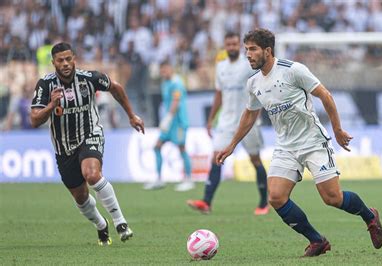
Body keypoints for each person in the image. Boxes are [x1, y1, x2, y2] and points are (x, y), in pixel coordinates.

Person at [215, 29, 382, 257]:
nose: (248, 54)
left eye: (253, 49)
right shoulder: (253, 83)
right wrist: (232, 145)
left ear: (268, 50)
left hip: (312, 141)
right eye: (246, 50)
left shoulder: (293, 70)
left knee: (332, 198)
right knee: (276, 197)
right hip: (286, 146)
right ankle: (317, 241)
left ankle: (369, 216)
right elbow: (249, 114)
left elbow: (325, 95)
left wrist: (337, 130)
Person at [30, 42, 144, 246]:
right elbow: (34, 119)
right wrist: (51, 105)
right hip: (63, 148)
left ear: (74, 58)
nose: (65, 63)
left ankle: (121, 223)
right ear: (53, 63)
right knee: (81, 198)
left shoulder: (89, 78)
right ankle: (101, 225)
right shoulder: (45, 85)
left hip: (90, 134)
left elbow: (116, 87)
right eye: (60, 60)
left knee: (92, 174)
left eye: (68, 59)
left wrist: (131, 115)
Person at [187, 32, 269, 215]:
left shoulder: (247, 65)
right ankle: (206, 202)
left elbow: (260, 89)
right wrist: (210, 119)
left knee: (255, 160)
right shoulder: (221, 66)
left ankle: (264, 202)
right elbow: (219, 94)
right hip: (225, 121)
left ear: (238, 46)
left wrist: (258, 114)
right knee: (216, 157)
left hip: (248, 120)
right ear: (224, 46)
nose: (231, 47)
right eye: (228, 45)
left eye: (234, 44)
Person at [143, 61, 194, 192]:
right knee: (157, 146)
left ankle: (188, 179)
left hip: (179, 122)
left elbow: (176, 102)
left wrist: (168, 117)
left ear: (171, 69)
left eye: (166, 70)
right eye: (162, 71)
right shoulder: (164, 83)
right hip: (169, 123)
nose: (164, 73)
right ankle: (159, 179)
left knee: (182, 148)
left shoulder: (177, 83)